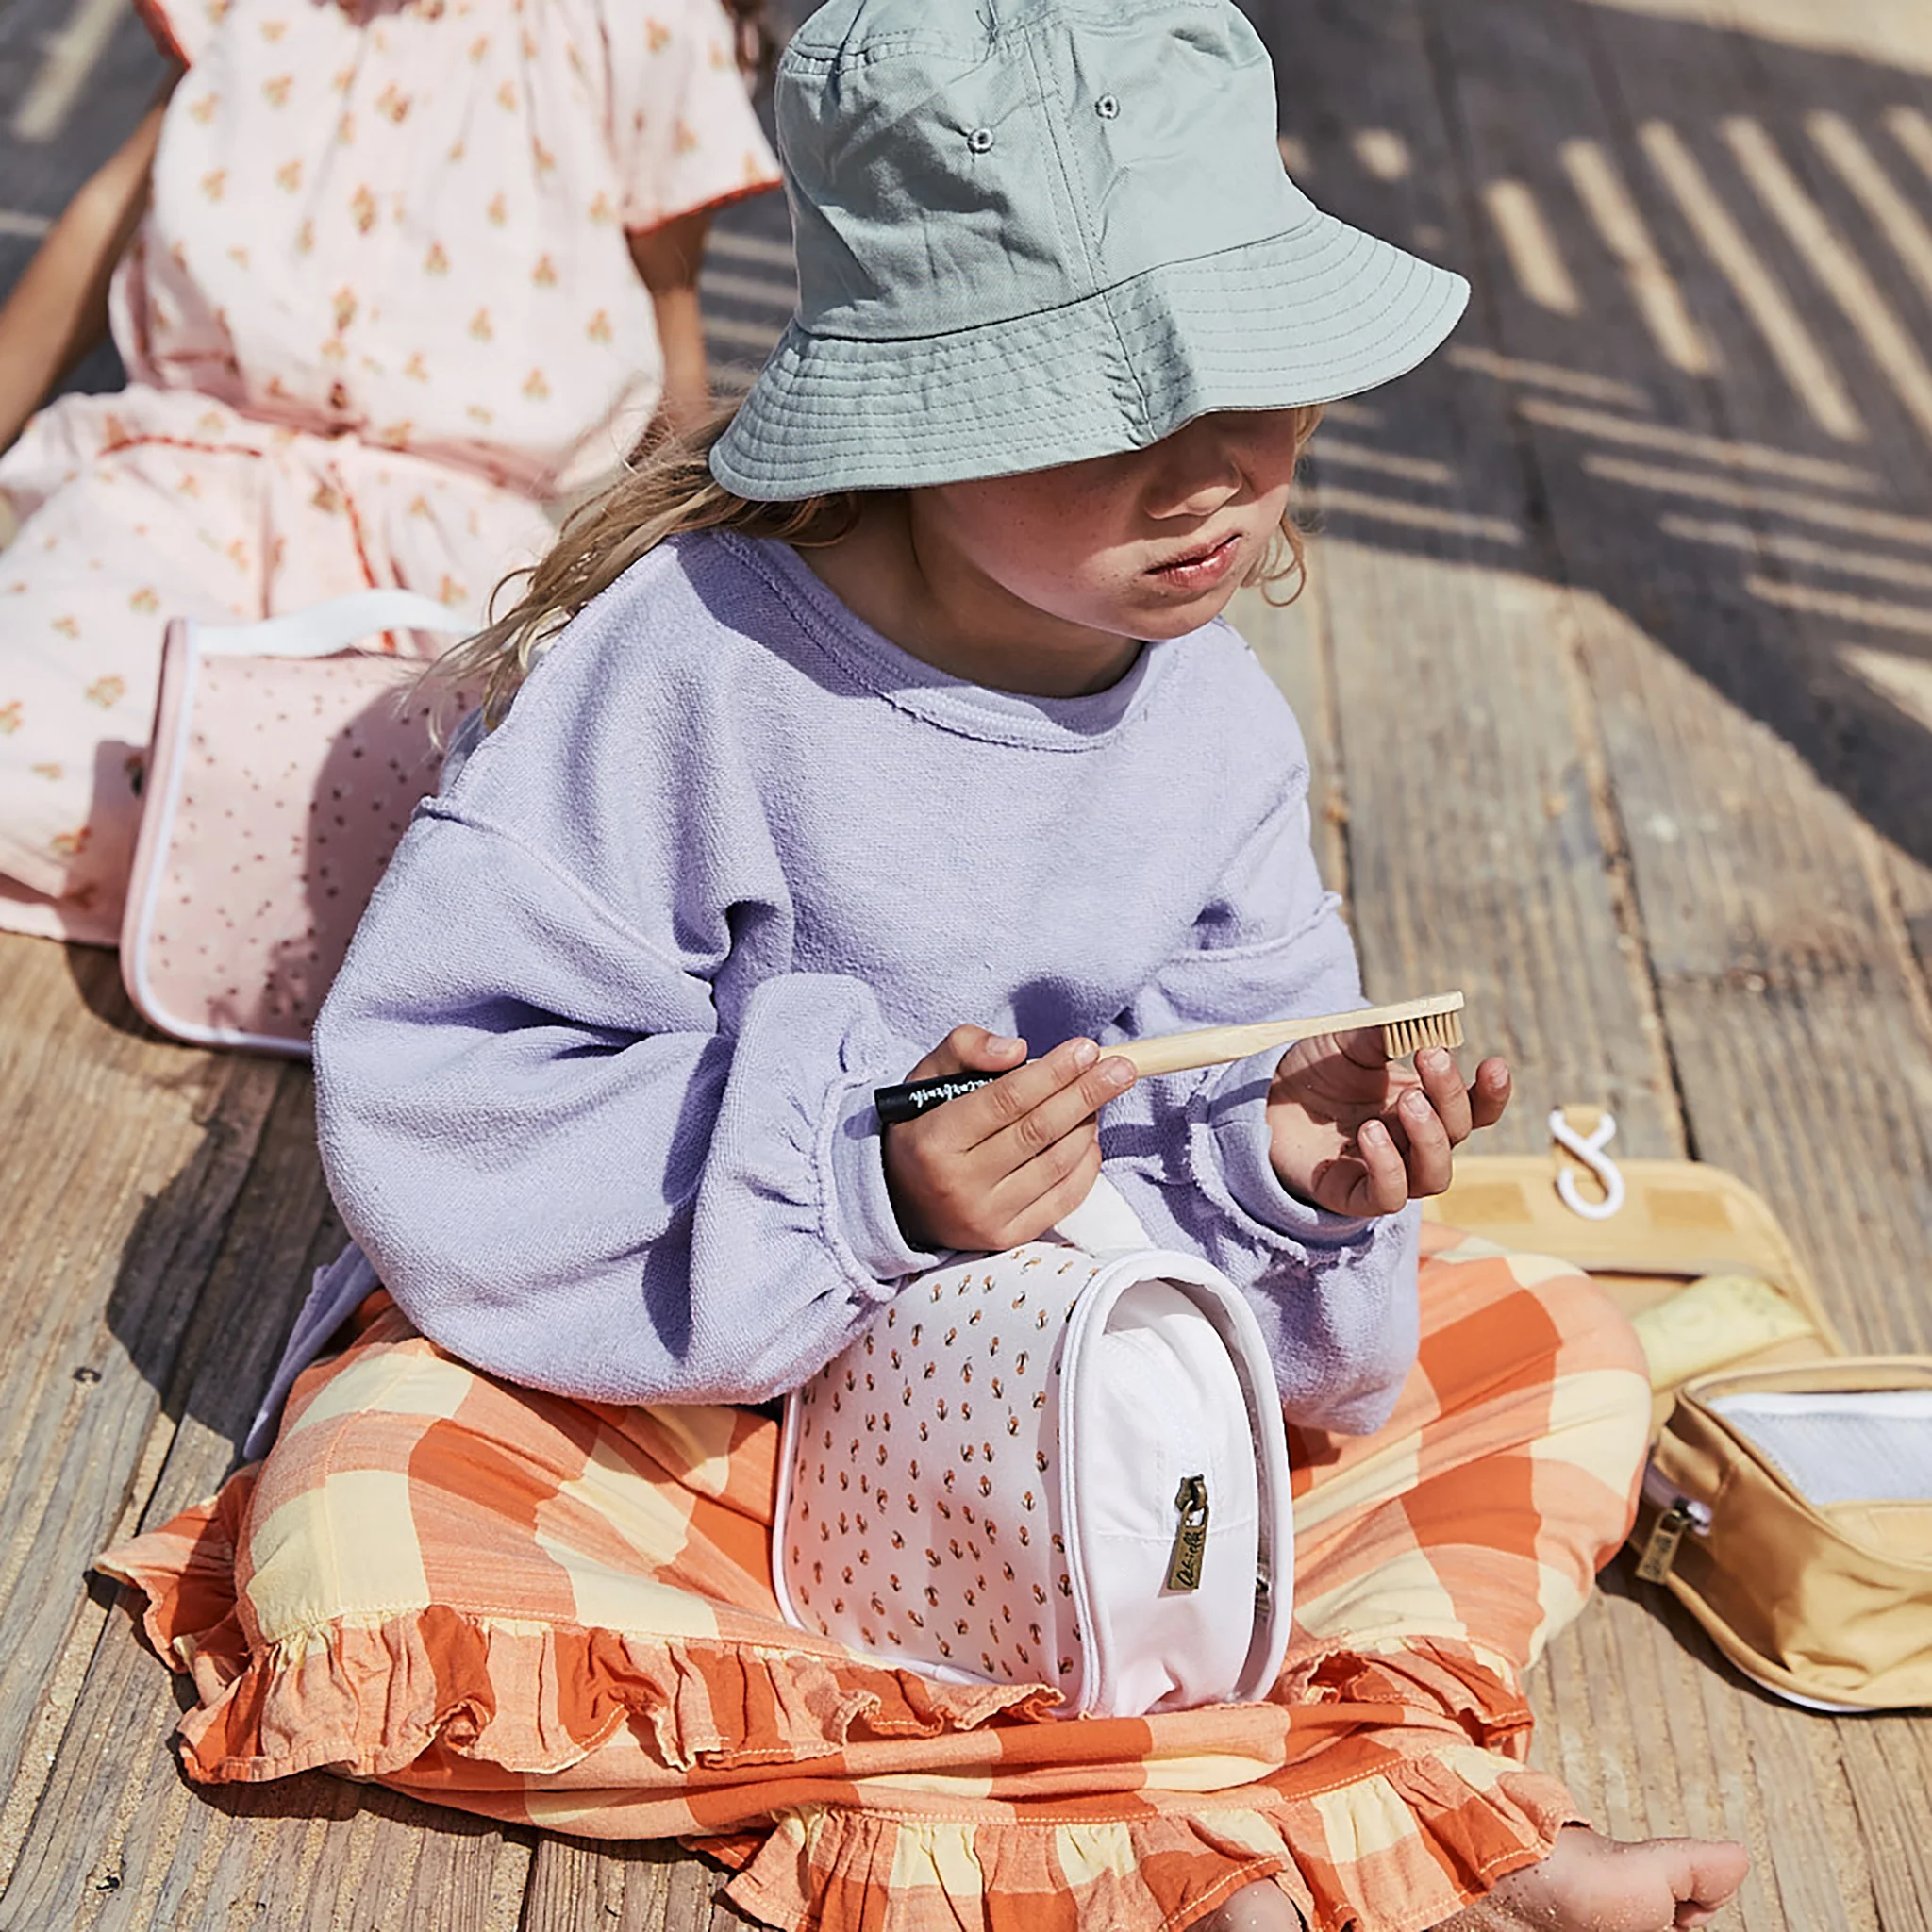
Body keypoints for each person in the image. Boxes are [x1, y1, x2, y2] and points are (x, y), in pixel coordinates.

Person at [99, 2, 1752, 1927]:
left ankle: (1266, 1793)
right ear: (908, 411)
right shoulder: (694, 671)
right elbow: (453, 1088)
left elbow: (1220, 1086)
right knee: (369, 1510)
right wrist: (859, 1183)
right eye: (1119, 411)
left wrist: (1281, 1168)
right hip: (695, 1398)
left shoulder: (1212, 722)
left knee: (1553, 1344)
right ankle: (1268, 1814)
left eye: (1263, 377)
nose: (1219, 470)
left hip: (1072, 1407)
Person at [0, 0, 778, 946]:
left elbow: (670, 315)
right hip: (179, 489)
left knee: (472, 858)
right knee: (36, 762)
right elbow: (110, 216)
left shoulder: (638, 26)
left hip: (457, 553)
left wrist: (702, 600)